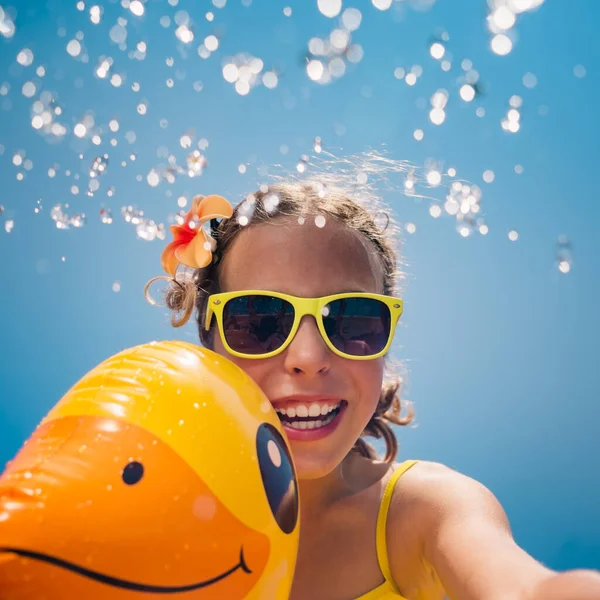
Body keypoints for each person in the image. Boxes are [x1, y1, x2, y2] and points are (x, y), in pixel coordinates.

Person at [147, 175, 600, 600]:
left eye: (351, 319)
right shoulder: (159, 508)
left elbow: (522, 588)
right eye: (261, 321)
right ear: (212, 341)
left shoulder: (424, 511)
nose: (308, 358)